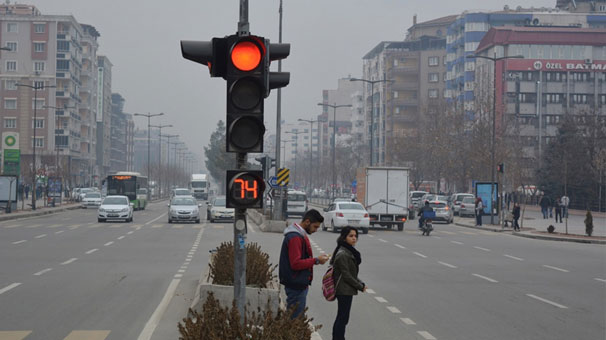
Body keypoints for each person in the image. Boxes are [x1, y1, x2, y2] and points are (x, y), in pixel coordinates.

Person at [279, 209, 329, 318]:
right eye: (315, 227)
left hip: (298, 283)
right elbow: (295, 263)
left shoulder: (299, 234)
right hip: (296, 284)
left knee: (296, 317)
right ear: (307, 222)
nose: (316, 230)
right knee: (295, 320)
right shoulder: (296, 237)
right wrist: (316, 260)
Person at [331, 227, 366, 340]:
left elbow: (351, 274)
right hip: (343, 290)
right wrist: (360, 286)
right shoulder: (343, 254)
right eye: (351, 236)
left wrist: (361, 283)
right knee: (342, 317)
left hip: (346, 289)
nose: (354, 238)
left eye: (355, 236)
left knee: (343, 317)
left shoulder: (348, 251)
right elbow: (346, 275)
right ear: (344, 237)